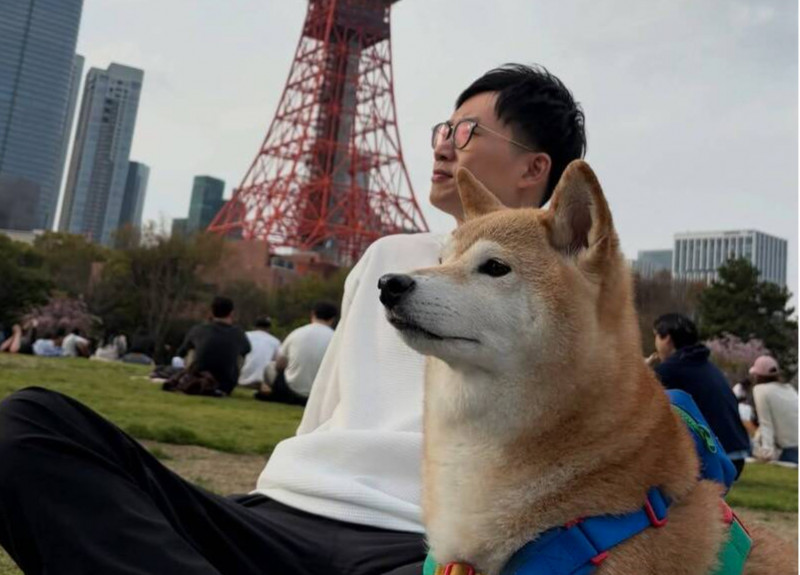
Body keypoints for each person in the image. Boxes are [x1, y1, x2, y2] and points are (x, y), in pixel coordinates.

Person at [0, 63, 587, 575]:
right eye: (444, 129)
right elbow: (325, 412)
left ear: (533, 168)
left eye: (467, 132)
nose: (443, 146)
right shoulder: (387, 256)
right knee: (26, 423)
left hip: (423, 542)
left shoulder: (573, 297)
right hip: (280, 516)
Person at [652, 313, 751, 478]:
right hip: (736, 451)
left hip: (715, 456)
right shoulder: (703, 365)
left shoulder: (671, 370)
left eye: (655, 336)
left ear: (666, 338)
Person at [255, 303, 337, 406]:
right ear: (332, 319)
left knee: (269, 367)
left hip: (290, 389)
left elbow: (280, 365)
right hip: (320, 393)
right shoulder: (336, 338)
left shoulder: (297, 333)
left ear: (312, 314)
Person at [175, 296, 252, 396]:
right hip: (226, 385)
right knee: (240, 354)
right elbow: (246, 350)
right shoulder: (239, 333)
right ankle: (227, 381)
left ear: (211, 312)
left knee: (191, 348)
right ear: (232, 313)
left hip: (197, 378)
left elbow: (181, 353)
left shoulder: (198, 330)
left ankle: (192, 378)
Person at [749, 356, 798, 464]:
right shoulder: (789, 389)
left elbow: (766, 424)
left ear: (758, 375)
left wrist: (766, 453)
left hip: (789, 452)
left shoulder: (760, 390)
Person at [238, 317, 281, 389]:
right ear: (269, 328)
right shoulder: (275, 341)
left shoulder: (245, 335)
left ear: (255, 326)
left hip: (242, 379)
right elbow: (278, 362)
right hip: (264, 381)